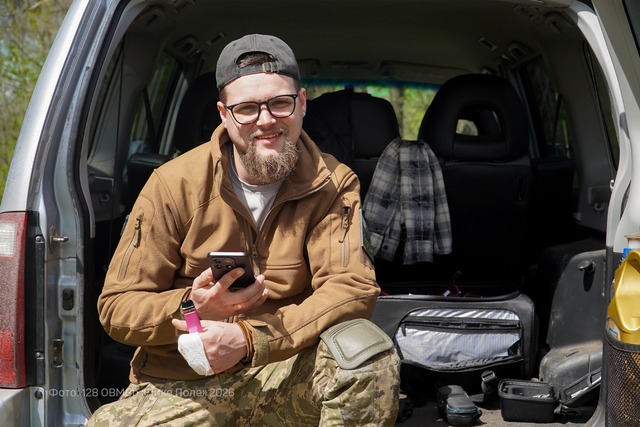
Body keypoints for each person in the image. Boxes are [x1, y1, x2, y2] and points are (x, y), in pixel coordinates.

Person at [87, 33, 400, 426]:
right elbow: (116, 308)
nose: (266, 121)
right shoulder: (172, 184)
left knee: (366, 353)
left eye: (280, 103)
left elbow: (351, 287)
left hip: (286, 374)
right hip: (182, 383)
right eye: (247, 108)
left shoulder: (334, 183)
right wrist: (192, 307)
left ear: (302, 103)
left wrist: (252, 340)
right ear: (224, 114)